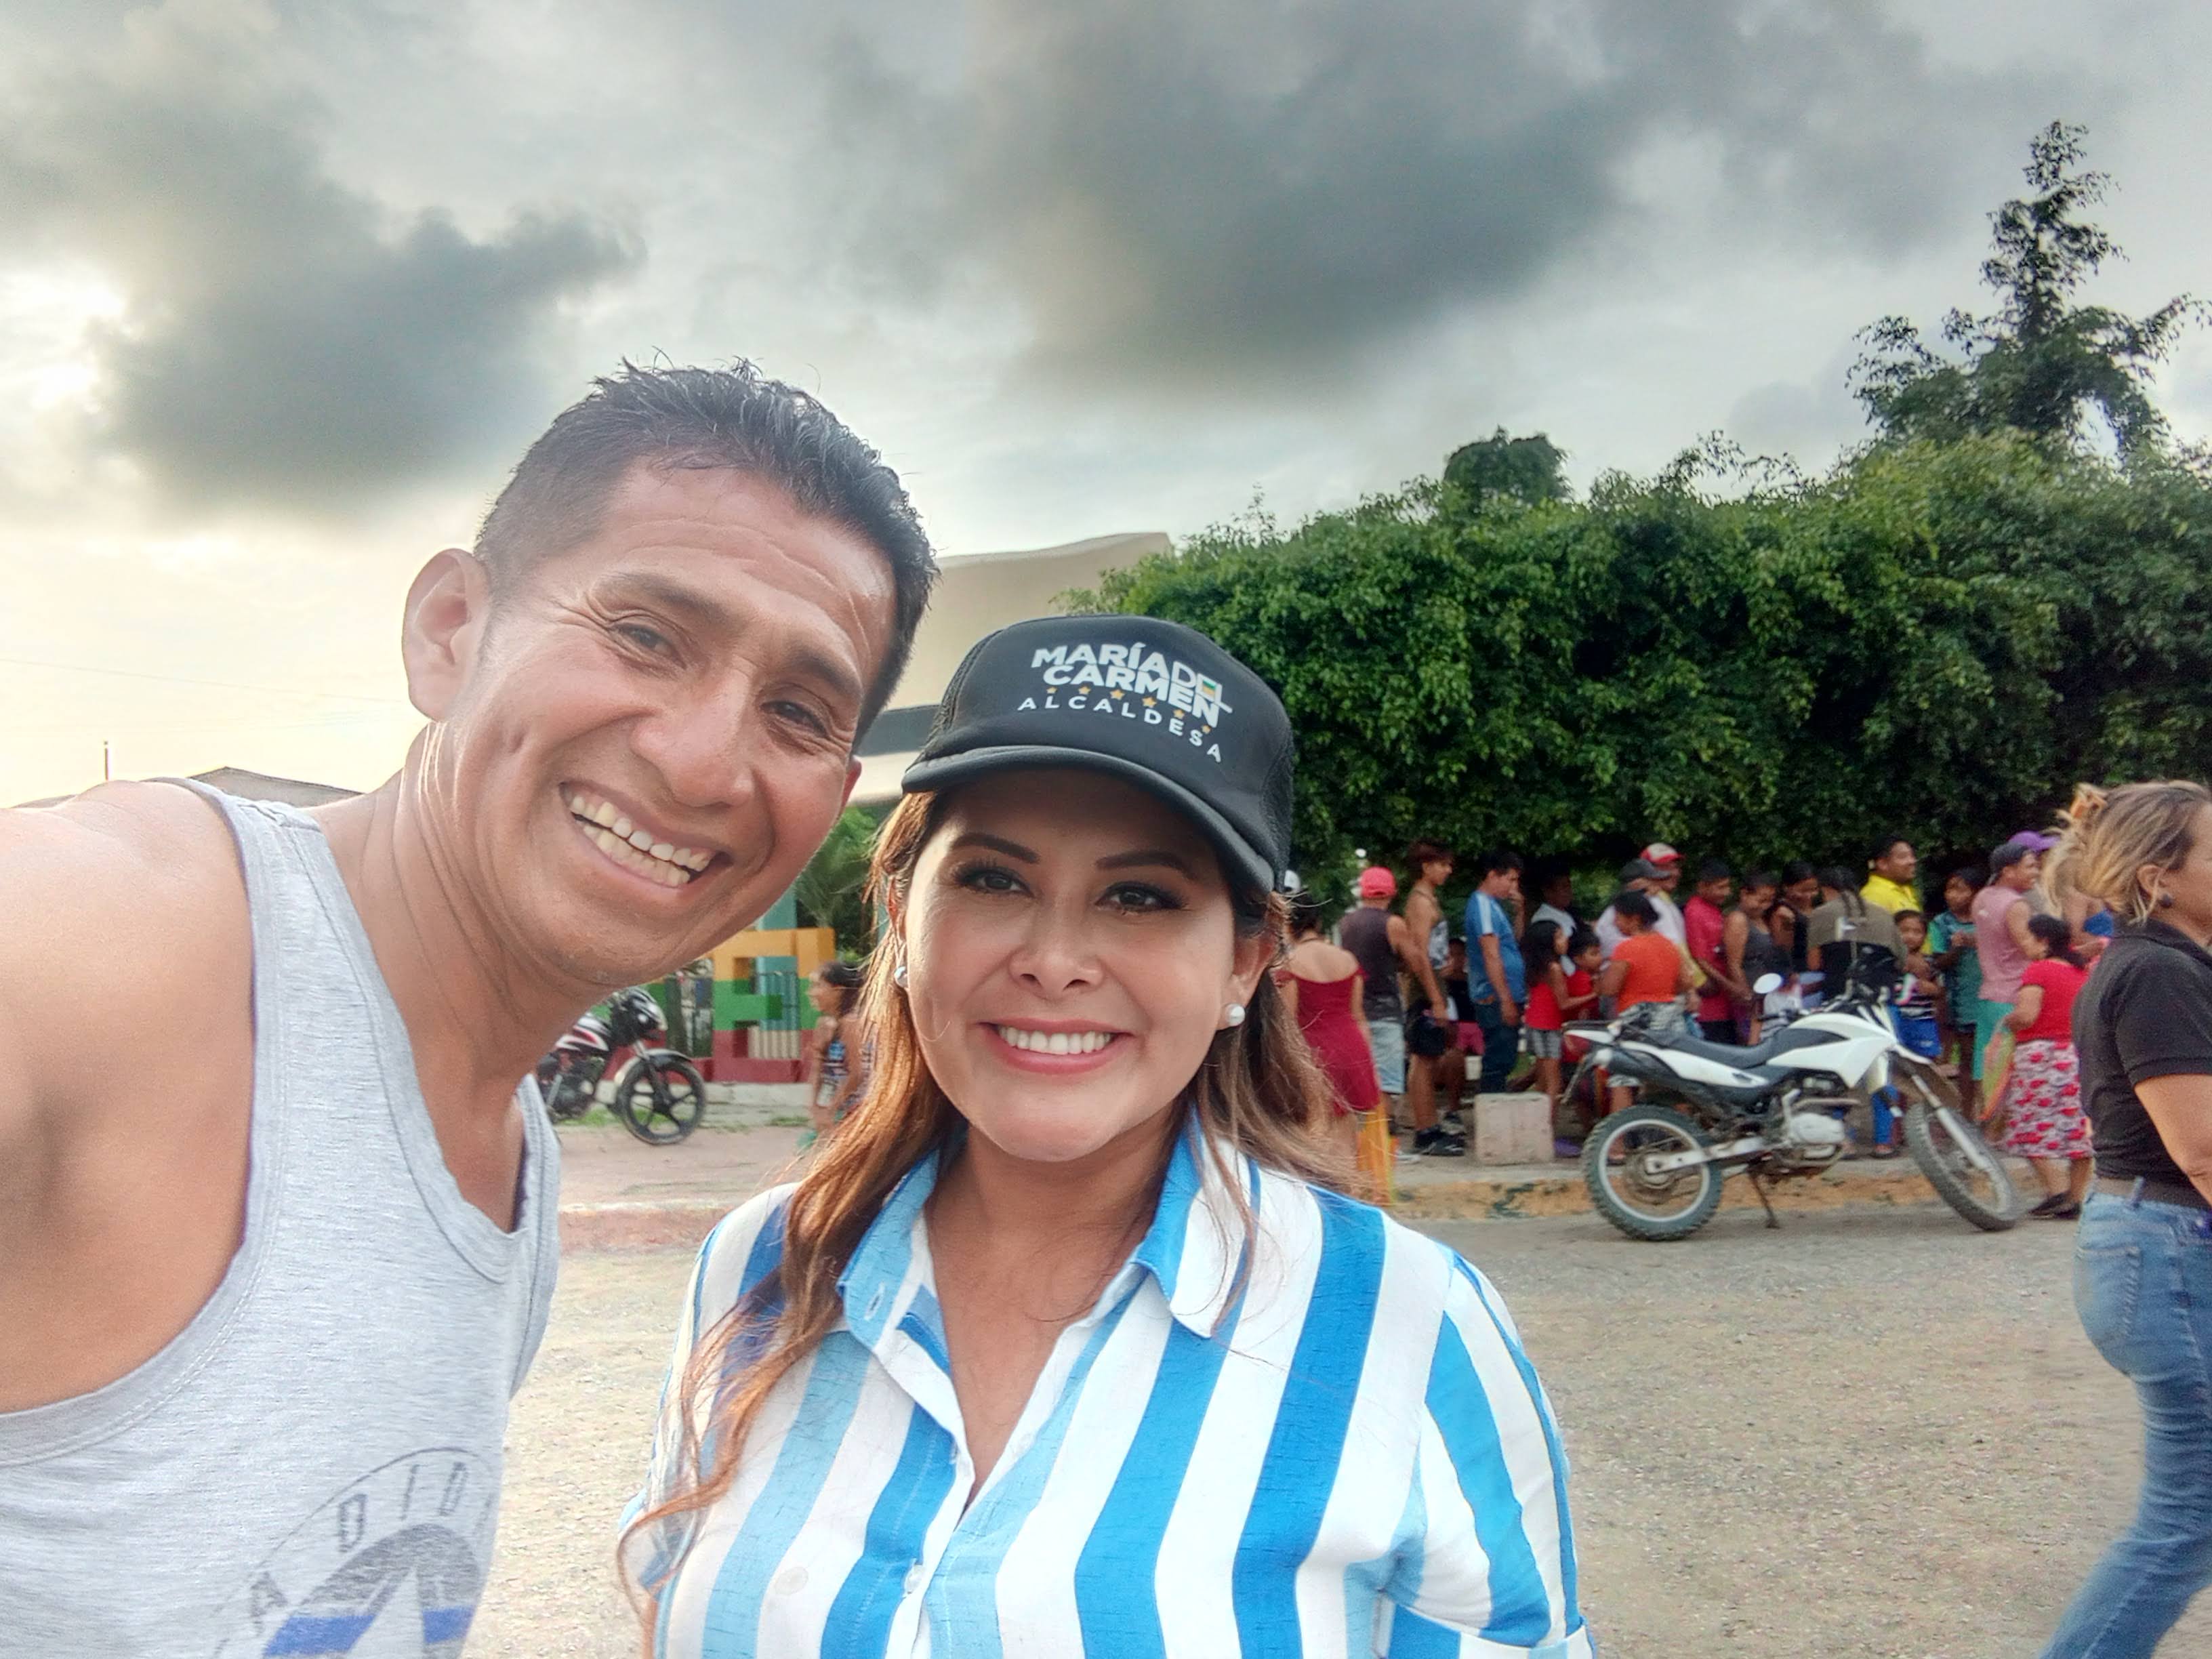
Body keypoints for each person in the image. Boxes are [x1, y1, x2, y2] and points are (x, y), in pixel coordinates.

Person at [0, 364, 935, 1652]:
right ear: (449, 629)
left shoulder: (509, 1153)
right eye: (646, 635)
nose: (702, 761)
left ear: (834, 792)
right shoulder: (108, 945)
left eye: (796, 710)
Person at [622, 615, 1591, 1658]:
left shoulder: (1407, 1326)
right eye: (993, 879)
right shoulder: (761, 1265)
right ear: (903, 916)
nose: (1055, 960)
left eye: (1140, 896)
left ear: (1244, 962)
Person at [2034, 781, 2212, 1657]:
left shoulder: (2169, 964)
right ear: (2159, 878)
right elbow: (2203, 1149)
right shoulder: (2156, 973)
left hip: (2157, 1245)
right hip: (2168, 1252)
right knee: (2189, 1519)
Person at [1343, 866, 1460, 1157]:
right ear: (1391, 893)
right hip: (1384, 1011)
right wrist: (1436, 999)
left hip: (1355, 1010)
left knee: (1363, 1080)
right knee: (1384, 1084)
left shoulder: (1347, 923)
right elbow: (1417, 961)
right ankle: (1383, 1150)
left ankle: (1366, 1147)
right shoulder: (1393, 923)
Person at [1990, 914, 2093, 1217]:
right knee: (2078, 1128)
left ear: (2043, 940)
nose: (2023, 945)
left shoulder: (2039, 970)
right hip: (2078, 1055)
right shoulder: (2081, 972)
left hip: (2041, 1057)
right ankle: (2075, 1197)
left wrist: (2005, 1021)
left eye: (2027, 938)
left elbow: (2026, 1016)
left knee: (2029, 1124)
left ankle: (2056, 1190)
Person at [1278, 890, 1383, 1174]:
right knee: (1346, 1135)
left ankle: (1322, 1193)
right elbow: (1359, 1017)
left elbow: (1288, 1024)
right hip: (1352, 1048)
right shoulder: (1347, 959)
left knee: (1314, 1135)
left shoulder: (1290, 964)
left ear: (1288, 924)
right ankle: (1347, 1190)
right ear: (1318, 922)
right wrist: (1370, 1063)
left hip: (1313, 1052)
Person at [1597, 891, 1690, 1111]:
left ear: (1634, 919)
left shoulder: (1626, 948)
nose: (1615, 923)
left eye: (1619, 918)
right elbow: (1685, 982)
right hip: (1671, 1021)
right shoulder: (1669, 945)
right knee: (1675, 1082)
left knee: (1622, 1079)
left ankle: (1618, 1132)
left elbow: (1609, 989)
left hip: (1637, 1021)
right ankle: (1683, 1128)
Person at [1401, 840, 1464, 1139]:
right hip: (1425, 991)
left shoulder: (1428, 899)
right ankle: (1426, 1129)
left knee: (1430, 1057)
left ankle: (1429, 1125)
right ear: (1426, 867)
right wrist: (1436, 998)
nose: (1448, 870)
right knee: (1423, 1060)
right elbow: (1420, 955)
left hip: (1435, 983)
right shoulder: (1421, 903)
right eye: (1442, 864)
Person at [1972, 840, 2042, 1094]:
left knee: (1989, 1070)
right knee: (2013, 1076)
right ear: (2008, 871)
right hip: (2015, 997)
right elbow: (2032, 950)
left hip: (1989, 994)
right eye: (2030, 867)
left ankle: (1985, 1119)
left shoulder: (1982, 897)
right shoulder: (2016, 905)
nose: (2036, 872)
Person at [1521, 918, 1593, 1155]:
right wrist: (1594, 994)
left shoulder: (1536, 967)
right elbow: (1564, 1003)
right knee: (1554, 1084)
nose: (1565, 941)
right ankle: (1548, 1135)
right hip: (1550, 1026)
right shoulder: (1554, 968)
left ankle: (1537, 1132)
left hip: (1534, 1023)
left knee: (1543, 1082)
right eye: (1560, 936)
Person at [1463, 849, 1528, 1095]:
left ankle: (1495, 1099)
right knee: (1499, 1057)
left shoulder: (1494, 907)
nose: (1514, 887)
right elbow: (1491, 955)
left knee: (1506, 1055)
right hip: (1494, 996)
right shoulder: (1482, 906)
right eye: (1510, 879)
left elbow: (1512, 944)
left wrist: (1519, 913)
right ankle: (1491, 1101)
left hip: (1505, 993)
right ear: (1493, 875)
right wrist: (1506, 1000)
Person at [1927, 865, 1985, 1110]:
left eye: (1960, 890)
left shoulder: (1987, 919)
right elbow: (1938, 963)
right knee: (1968, 1058)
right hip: (1962, 1000)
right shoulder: (1942, 923)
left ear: (1976, 892)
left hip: (1992, 996)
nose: (1952, 895)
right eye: (1950, 889)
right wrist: (1957, 948)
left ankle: (1990, 1113)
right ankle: (1967, 1112)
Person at [802, 960, 868, 1145]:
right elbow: (818, 1070)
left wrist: (831, 1109)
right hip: (837, 1108)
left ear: (838, 990)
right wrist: (816, 1106)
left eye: (818, 986)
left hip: (857, 1111)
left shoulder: (851, 1023)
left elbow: (857, 1074)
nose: (811, 993)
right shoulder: (825, 1025)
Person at [1725, 870, 1790, 1041]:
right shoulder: (1738, 919)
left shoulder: (1763, 919)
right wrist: (1747, 996)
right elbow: (1734, 964)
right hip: (1751, 996)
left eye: (1770, 901)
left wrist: (1786, 924)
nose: (1765, 905)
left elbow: (1781, 947)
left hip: (1768, 995)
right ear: (1744, 894)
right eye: (1761, 900)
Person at [1684, 858, 1744, 1042]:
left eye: (1727, 886)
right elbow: (1700, 959)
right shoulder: (1695, 912)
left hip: (1725, 1003)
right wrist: (1731, 987)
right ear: (1702, 886)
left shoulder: (1714, 910)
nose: (1727, 892)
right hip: (1710, 1009)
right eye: (1720, 887)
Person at [1594, 857, 1666, 956]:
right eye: (1651, 880)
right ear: (1636, 884)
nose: (1657, 885)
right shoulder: (1617, 912)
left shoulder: (1645, 902)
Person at [1640, 842, 1689, 945]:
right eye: (1666, 868)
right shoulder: (1645, 901)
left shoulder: (1664, 900)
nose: (1675, 873)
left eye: (1675, 867)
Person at [1862, 834, 1921, 914]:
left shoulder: (1904, 889)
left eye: (1912, 856)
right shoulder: (1874, 895)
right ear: (1882, 864)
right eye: (1903, 856)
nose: (1912, 861)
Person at [1529, 857, 1580, 939]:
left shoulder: (1567, 915)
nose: (1569, 891)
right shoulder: (1543, 921)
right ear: (1547, 891)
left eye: (1569, 886)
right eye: (1564, 887)